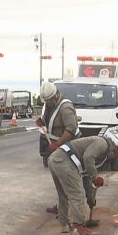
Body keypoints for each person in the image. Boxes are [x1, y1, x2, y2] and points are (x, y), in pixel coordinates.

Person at [48, 131, 118, 235]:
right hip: (64, 161)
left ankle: (64, 224)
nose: (117, 155)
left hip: (56, 159)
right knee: (77, 195)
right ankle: (79, 229)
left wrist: (91, 198)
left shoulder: (101, 148)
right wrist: (95, 177)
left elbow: (87, 175)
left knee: (63, 194)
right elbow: (88, 158)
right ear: (117, 144)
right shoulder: (102, 143)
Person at [36, 82, 80, 217]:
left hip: (67, 148)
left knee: (66, 179)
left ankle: (68, 211)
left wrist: (58, 144)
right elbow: (51, 120)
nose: (47, 103)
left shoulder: (65, 107)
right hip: (57, 148)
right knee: (58, 179)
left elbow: (71, 130)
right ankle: (61, 206)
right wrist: (42, 121)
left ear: (55, 96)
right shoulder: (50, 105)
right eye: (45, 101)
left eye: (48, 100)